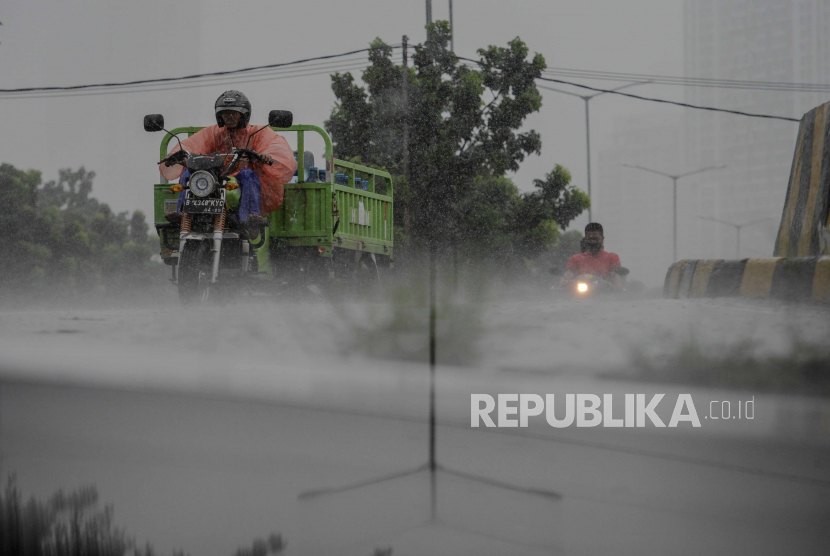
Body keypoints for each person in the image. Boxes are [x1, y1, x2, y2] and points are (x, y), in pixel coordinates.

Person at [159, 90, 296, 227]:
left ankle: (250, 218)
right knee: (189, 171)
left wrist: (266, 155)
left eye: (233, 113)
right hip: (214, 180)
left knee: (248, 174)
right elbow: (194, 144)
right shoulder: (214, 133)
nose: (229, 117)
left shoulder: (256, 133)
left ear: (243, 115)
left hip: (244, 182)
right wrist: (178, 154)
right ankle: (182, 214)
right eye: (225, 113)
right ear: (220, 116)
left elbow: (274, 145)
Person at [559, 222, 623, 290]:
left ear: (602, 239)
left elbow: (615, 275)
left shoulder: (612, 257)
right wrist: (560, 286)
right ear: (585, 239)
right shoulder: (576, 259)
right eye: (590, 239)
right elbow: (568, 274)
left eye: (596, 239)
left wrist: (617, 288)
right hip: (579, 296)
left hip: (604, 295)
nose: (593, 242)